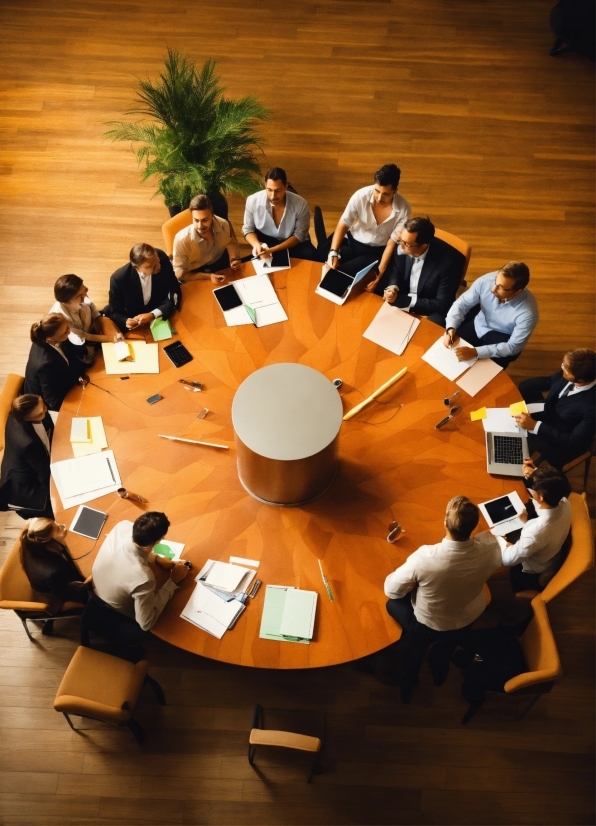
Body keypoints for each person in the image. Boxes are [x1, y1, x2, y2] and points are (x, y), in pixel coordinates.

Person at [384, 496, 501, 702]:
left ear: (445, 523)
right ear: (474, 527)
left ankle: (409, 681)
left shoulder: (426, 557)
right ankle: (440, 671)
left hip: (429, 622)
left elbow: (392, 590)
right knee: (447, 645)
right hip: (467, 616)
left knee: (394, 607)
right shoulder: (491, 549)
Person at [90, 512, 189, 645]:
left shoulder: (122, 526)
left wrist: (156, 558)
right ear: (158, 541)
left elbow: (135, 549)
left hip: (95, 590)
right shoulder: (143, 578)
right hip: (113, 613)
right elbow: (146, 623)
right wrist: (173, 581)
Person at [478, 466, 572, 594]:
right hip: (551, 550)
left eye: (531, 490)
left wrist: (499, 538)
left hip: (531, 572)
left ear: (541, 497)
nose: (530, 491)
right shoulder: (565, 502)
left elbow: (507, 560)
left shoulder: (535, 533)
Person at [368, 217, 466, 326]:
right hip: (402, 293)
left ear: (423, 246)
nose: (400, 246)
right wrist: (393, 287)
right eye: (401, 240)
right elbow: (396, 269)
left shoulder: (450, 263)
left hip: (428, 305)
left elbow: (442, 304)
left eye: (406, 244)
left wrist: (403, 300)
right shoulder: (403, 243)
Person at [442, 262, 539, 369]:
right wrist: (451, 327)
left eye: (501, 287)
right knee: (448, 358)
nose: (493, 289)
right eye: (495, 281)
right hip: (478, 324)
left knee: (482, 375)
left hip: (501, 337)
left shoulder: (528, 313)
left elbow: (513, 346)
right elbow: (461, 304)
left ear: (517, 291)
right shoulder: (486, 281)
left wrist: (476, 352)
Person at [322, 164, 411, 277]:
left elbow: (391, 242)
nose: (379, 198)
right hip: (353, 243)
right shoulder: (360, 196)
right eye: (377, 191)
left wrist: (379, 274)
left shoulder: (404, 208)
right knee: (329, 266)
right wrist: (334, 252)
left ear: (395, 191)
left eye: (385, 194)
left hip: (379, 250)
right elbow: (344, 223)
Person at [513, 349, 595, 468]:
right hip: (551, 412)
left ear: (580, 381)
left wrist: (535, 425)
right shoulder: (572, 368)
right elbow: (551, 380)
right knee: (525, 389)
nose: (562, 368)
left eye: (565, 369)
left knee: (522, 440)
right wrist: (523, 387)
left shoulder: (592, 409)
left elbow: (572, 441)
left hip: (560, 440)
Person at [19, 517, 90, 627]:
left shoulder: (34, 545)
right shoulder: (54, 572)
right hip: (55, 594)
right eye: (58, 529)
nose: (63, 526)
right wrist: (88, 585)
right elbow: (65, 594)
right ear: (48, 542)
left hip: (56, 581)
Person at [242, 167, 321, 262]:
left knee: (313, 256)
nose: (273, 196)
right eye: (269, 190)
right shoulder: (252, 200)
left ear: (286, 187)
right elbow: (248, 229)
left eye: (278, 191)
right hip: (264, 241)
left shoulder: (301, 204)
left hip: (291, 242)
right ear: (265, 185)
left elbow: (299, 235)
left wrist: (274, 250)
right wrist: (257, 245)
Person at [103, 243, 182, 334]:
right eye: (150, 266)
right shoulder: (118, 279)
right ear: (137, 268)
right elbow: (116, 312)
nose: (158, 266)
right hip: (135, 320)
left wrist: (153, 314)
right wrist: (125, 321)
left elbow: (174, 290)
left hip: (160, 311)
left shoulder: (162, 258)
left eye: (157, 260)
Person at [0, 395, 54, 518]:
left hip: (18, 462)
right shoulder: (29, 443)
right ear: (28, 418)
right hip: (23, 485)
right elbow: (45, 472)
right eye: (41, 412)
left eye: (43, 404)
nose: (45, 409)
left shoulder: (15, 415)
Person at [22, 314, 87, 412]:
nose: (69, 332)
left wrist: (78, 375)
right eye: (65, 332)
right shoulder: (45, 365)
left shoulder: (52, 337)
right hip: (44, 405)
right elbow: (53, 402)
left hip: (63, 383)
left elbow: (70, 359)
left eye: (67, 327)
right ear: (50, 339)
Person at [50, 274, 123, 361]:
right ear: (65, 302)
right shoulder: (60, 318)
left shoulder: (81, 294)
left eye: (86, 290)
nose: (85, 296)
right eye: (80, 297)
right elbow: (83, 336)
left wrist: (100, 319)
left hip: (89, 330)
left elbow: (92, 308)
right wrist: (110, 338)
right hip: (76, 344)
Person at [173, 194, 242, 283]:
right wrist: (208, 276)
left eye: (205, 220)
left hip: (217, 261)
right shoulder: (181, 240)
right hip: (194, 272)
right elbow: (180, 274)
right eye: (196, 220)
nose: (200, 226)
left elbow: (230, 242)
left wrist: (234, 259)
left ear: (213, 215)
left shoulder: (223, 224)